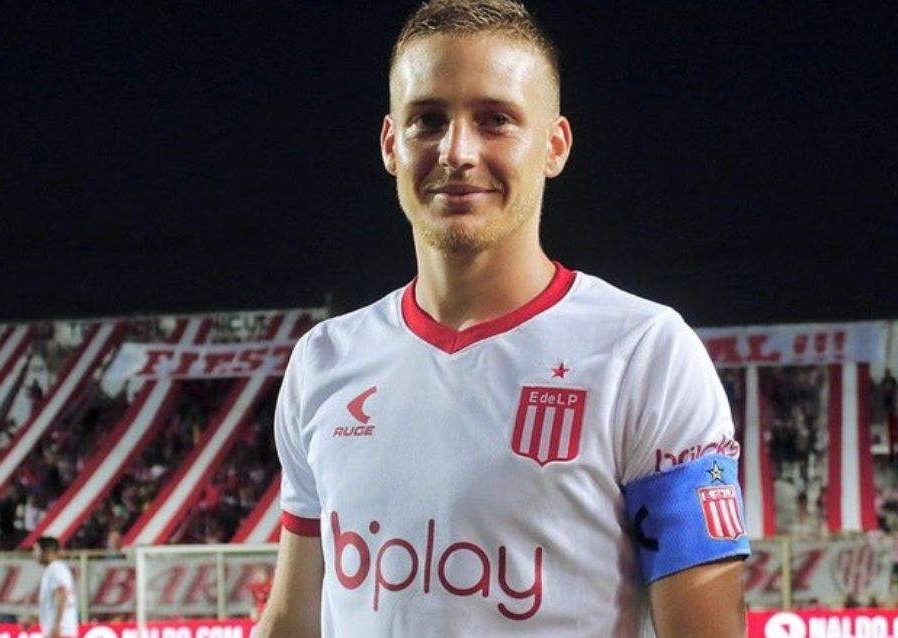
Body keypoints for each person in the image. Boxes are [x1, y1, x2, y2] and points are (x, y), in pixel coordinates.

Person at [254, 1, 750, 636]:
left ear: (554, 146)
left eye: (495, 120)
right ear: (390, 144)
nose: (457, 151)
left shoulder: (646, 353)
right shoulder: (324, 360)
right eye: (428, 120)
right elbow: (293, 621)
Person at [34, 536, 79, 638]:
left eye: (37, 550)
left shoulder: (56, 568)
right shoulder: (54, 569)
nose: (34, 555)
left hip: (61, 631)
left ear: (47, 551)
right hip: (59, 631)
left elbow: (62, 594)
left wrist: (57, 625)